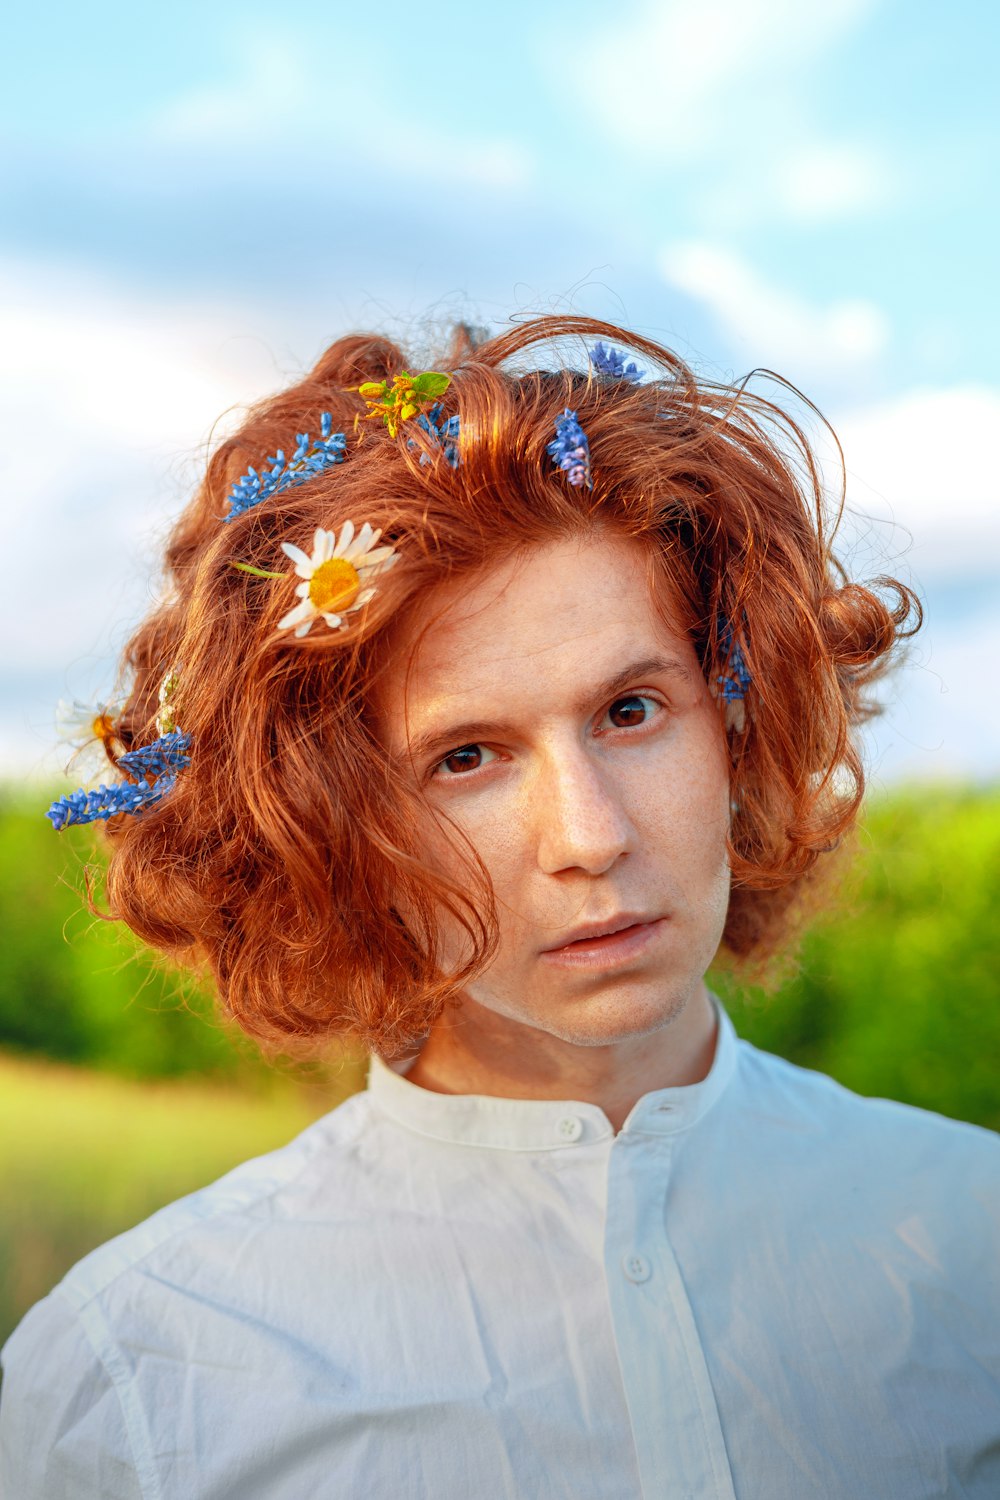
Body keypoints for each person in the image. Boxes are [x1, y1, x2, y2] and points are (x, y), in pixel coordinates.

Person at [1, 316, 997, 1499]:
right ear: (326, 827)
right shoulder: (137, 1379)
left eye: (630, 712)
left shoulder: (971, 1241)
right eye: (466, 757)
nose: (591, 837)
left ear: (737, 720)